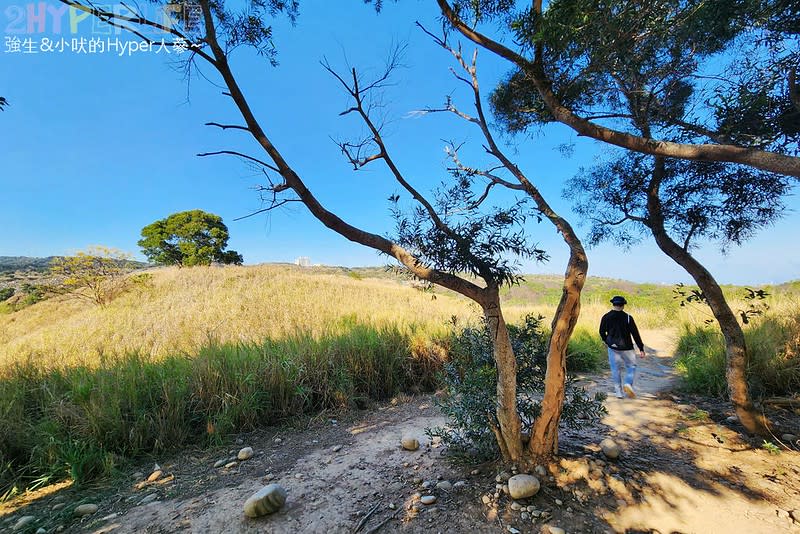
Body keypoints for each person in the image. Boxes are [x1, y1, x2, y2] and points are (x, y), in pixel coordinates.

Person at [599, 295, 646, 398]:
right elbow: (635, 334)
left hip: (613, 347)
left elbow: (602, 332)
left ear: (613, 304)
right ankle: (628, 383)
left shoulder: (606, 317)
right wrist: (641, 348)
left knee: (616, 369)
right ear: (623, 305)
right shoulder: (628, 318)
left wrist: (607, 341)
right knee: (631, 367)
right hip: (627, 348)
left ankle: (619, 393)